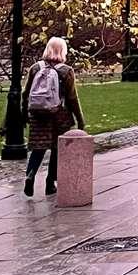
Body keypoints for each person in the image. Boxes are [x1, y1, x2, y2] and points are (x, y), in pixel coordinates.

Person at [21, 37, 85, 197]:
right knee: (57, 149)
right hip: (59, 114)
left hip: (37, 114)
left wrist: (25, 113)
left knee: (38, 148)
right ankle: (50, 183)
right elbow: (72, 98)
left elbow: (25, 93)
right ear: (63, 51)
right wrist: (80, 119)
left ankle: (30, 176)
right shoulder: (66, 71)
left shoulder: (36, 68)